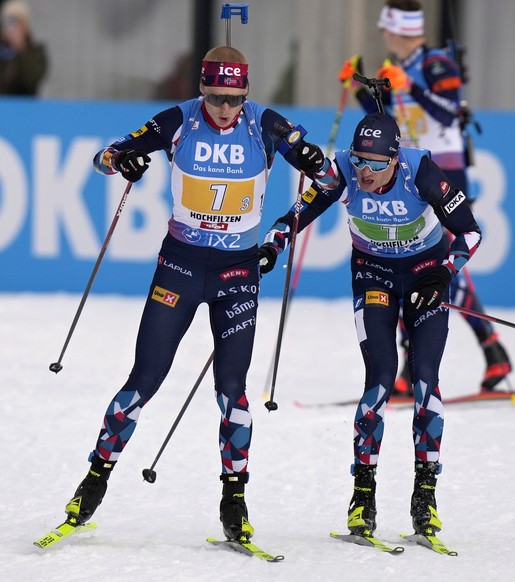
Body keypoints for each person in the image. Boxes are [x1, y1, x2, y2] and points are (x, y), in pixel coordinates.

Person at [49, 45, 319, 544]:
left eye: (235, 99)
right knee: (144, 379)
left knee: (232, 392)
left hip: (237, 273)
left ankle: (234, 501)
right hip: (180, 266)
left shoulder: (266, 124)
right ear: (202, 89)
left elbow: (325, 179)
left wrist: (279, 235)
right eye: (216, 97)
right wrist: (121, 163)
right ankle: (94, 481)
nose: (225, 109)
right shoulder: (177, 120)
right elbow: (103, 157)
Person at [259, 112, 481, 544]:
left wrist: (443, 275)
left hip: (425, 274)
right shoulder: (342, 170)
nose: (365, 171)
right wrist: (271, 246)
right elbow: (294, 216)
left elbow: (469, 232)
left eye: (376, 164)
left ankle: (425, 497)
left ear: (395, 160)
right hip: (374, 274)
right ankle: (363, 494)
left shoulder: (421, 171)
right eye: (360, 160)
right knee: (380, 378)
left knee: (425, 382)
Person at [337, 0, 511, 395]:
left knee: (437, 265)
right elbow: (389, 126)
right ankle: (478, 351)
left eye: (387, 30)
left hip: (443, 172)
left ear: (400, 30)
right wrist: (361, 88)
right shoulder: (396, 68)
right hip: (406, 172)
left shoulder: (436, 65)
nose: (384, 36)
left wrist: (408, 84)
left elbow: (449, 114)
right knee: (406, 259)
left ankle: (488, 346)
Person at [0, 0, 48, 95]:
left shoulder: (35, 52)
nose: (11, 27)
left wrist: (20, 47)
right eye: (7, 22)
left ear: (25, 25)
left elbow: (30, 80)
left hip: (24, 107)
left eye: (15, 22)